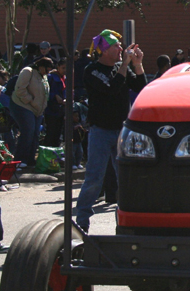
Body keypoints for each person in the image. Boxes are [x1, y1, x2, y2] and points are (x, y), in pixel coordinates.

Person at [75, 30, 146, 232]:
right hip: (101, 130)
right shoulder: (92, 70)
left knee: (126, 179)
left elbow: (140, 86)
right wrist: (124, 64)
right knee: (94, 177)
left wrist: (138, 64)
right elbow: (111, 88)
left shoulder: (120, 67)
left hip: (122, 130)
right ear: (103, 50)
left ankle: (128, 220)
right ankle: (82, 221)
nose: (120, 49)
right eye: (115, 46)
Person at [9, 57, 54, 168]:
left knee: (35, 134)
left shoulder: (44, 77)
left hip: (37, 110)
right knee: (27, 131)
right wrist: (31, 101)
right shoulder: (27, 72)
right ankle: (20, 160)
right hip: (22, 105)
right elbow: (20, 89)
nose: (47, 73)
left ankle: (30, 160)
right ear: (41, 66)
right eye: (46, 69)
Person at [43, 57, 67, 148]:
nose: (65, 70)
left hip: (61, 110)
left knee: (58, 133)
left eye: (67, 68)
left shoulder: (65, 78)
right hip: (51, 110)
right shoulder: (51, 77)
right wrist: (55, 95)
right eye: (63, 68)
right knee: (51, 132)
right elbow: (45, 91)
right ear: (58, 67)